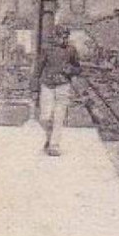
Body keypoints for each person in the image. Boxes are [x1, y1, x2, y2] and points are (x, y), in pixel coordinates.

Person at [38, 24, 81, 156]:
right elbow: (38, 68)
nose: (65, 39)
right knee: (44, 117)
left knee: (59, 116)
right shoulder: (46, 49)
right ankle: (50, 137)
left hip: (63, 85)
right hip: (47, 85)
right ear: (55, 37)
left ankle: (54, 145)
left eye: (66, 37)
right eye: (62, 36)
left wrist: (72, 70)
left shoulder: (71, 50)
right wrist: (33, 88)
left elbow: (78, 68)